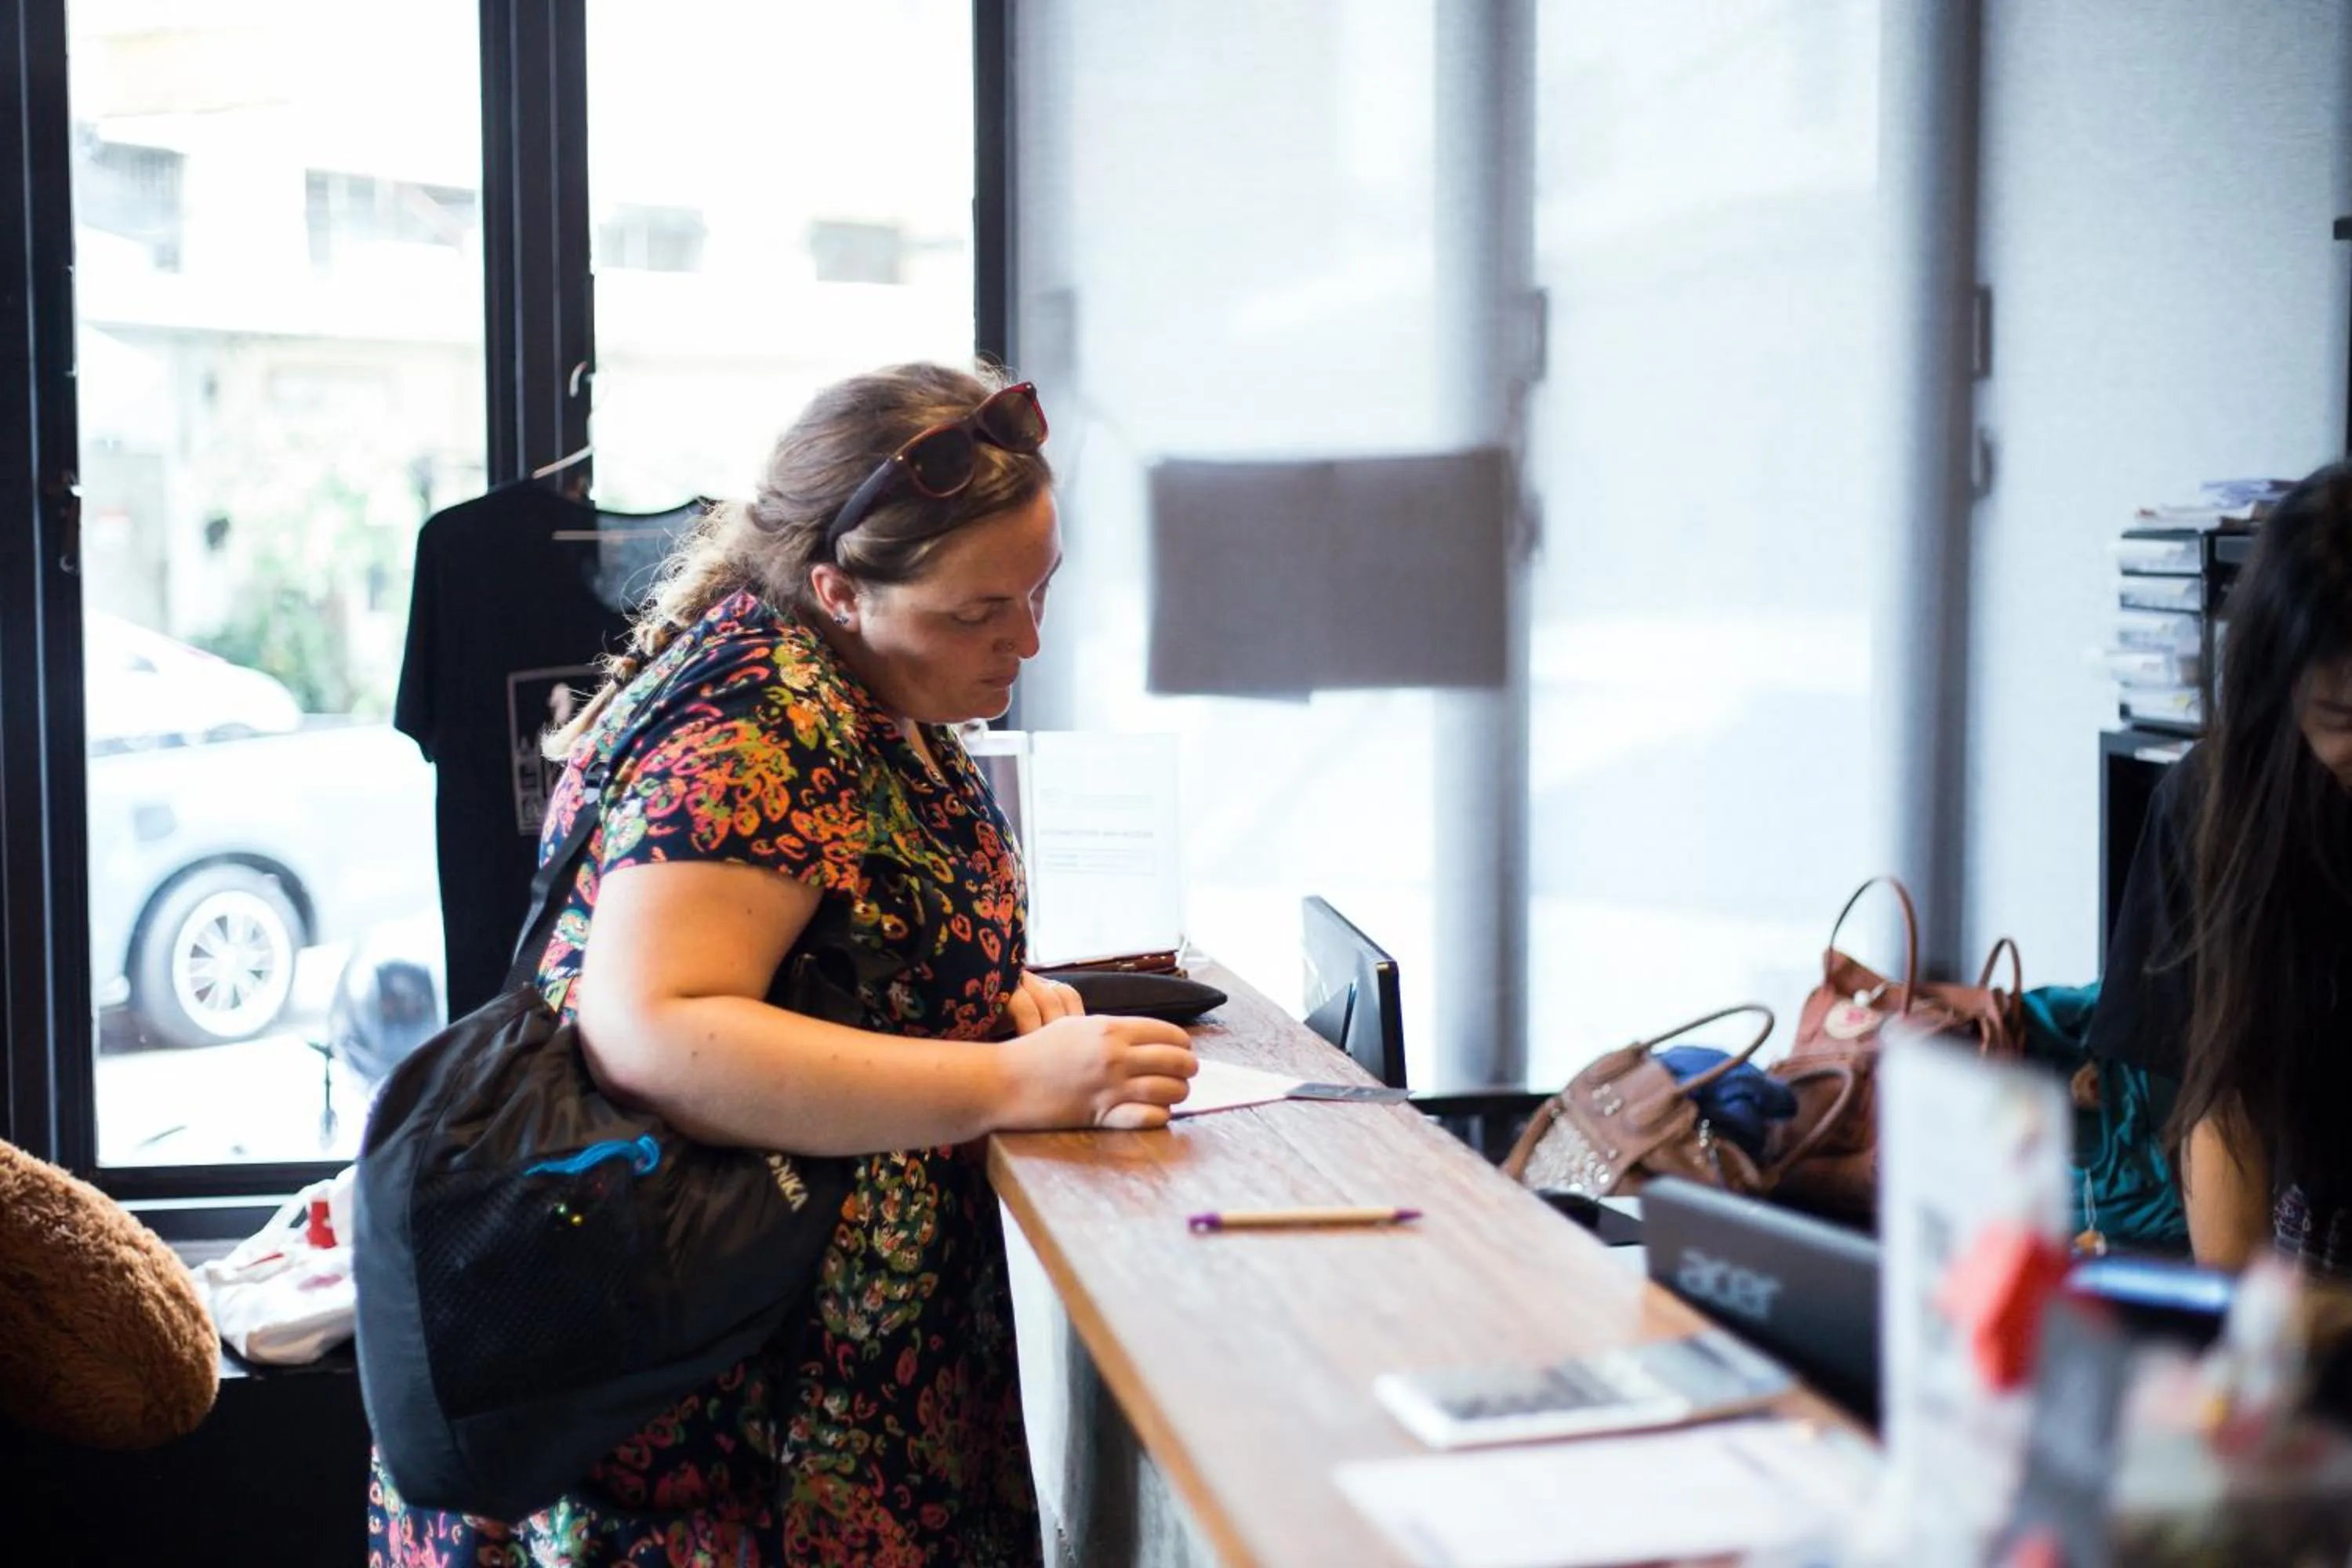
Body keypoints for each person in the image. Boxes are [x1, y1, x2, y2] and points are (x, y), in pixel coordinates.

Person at [368, 362, 1200, 1566]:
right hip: (725, 1440)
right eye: (978, 612)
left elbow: (820, 941)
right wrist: (1015, 1085)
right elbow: (653, 1029)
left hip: (800, 1392)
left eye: (1038, 592)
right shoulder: (760, 719)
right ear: (837, 589)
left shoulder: (859, 684)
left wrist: (960, 1001)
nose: (1024, 637)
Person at [2088, 460, 2352, 1278]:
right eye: (2341, 716)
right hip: (2310, 1259)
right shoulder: (2213, 808)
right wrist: (2238, 1325)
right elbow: (2222, 1093)